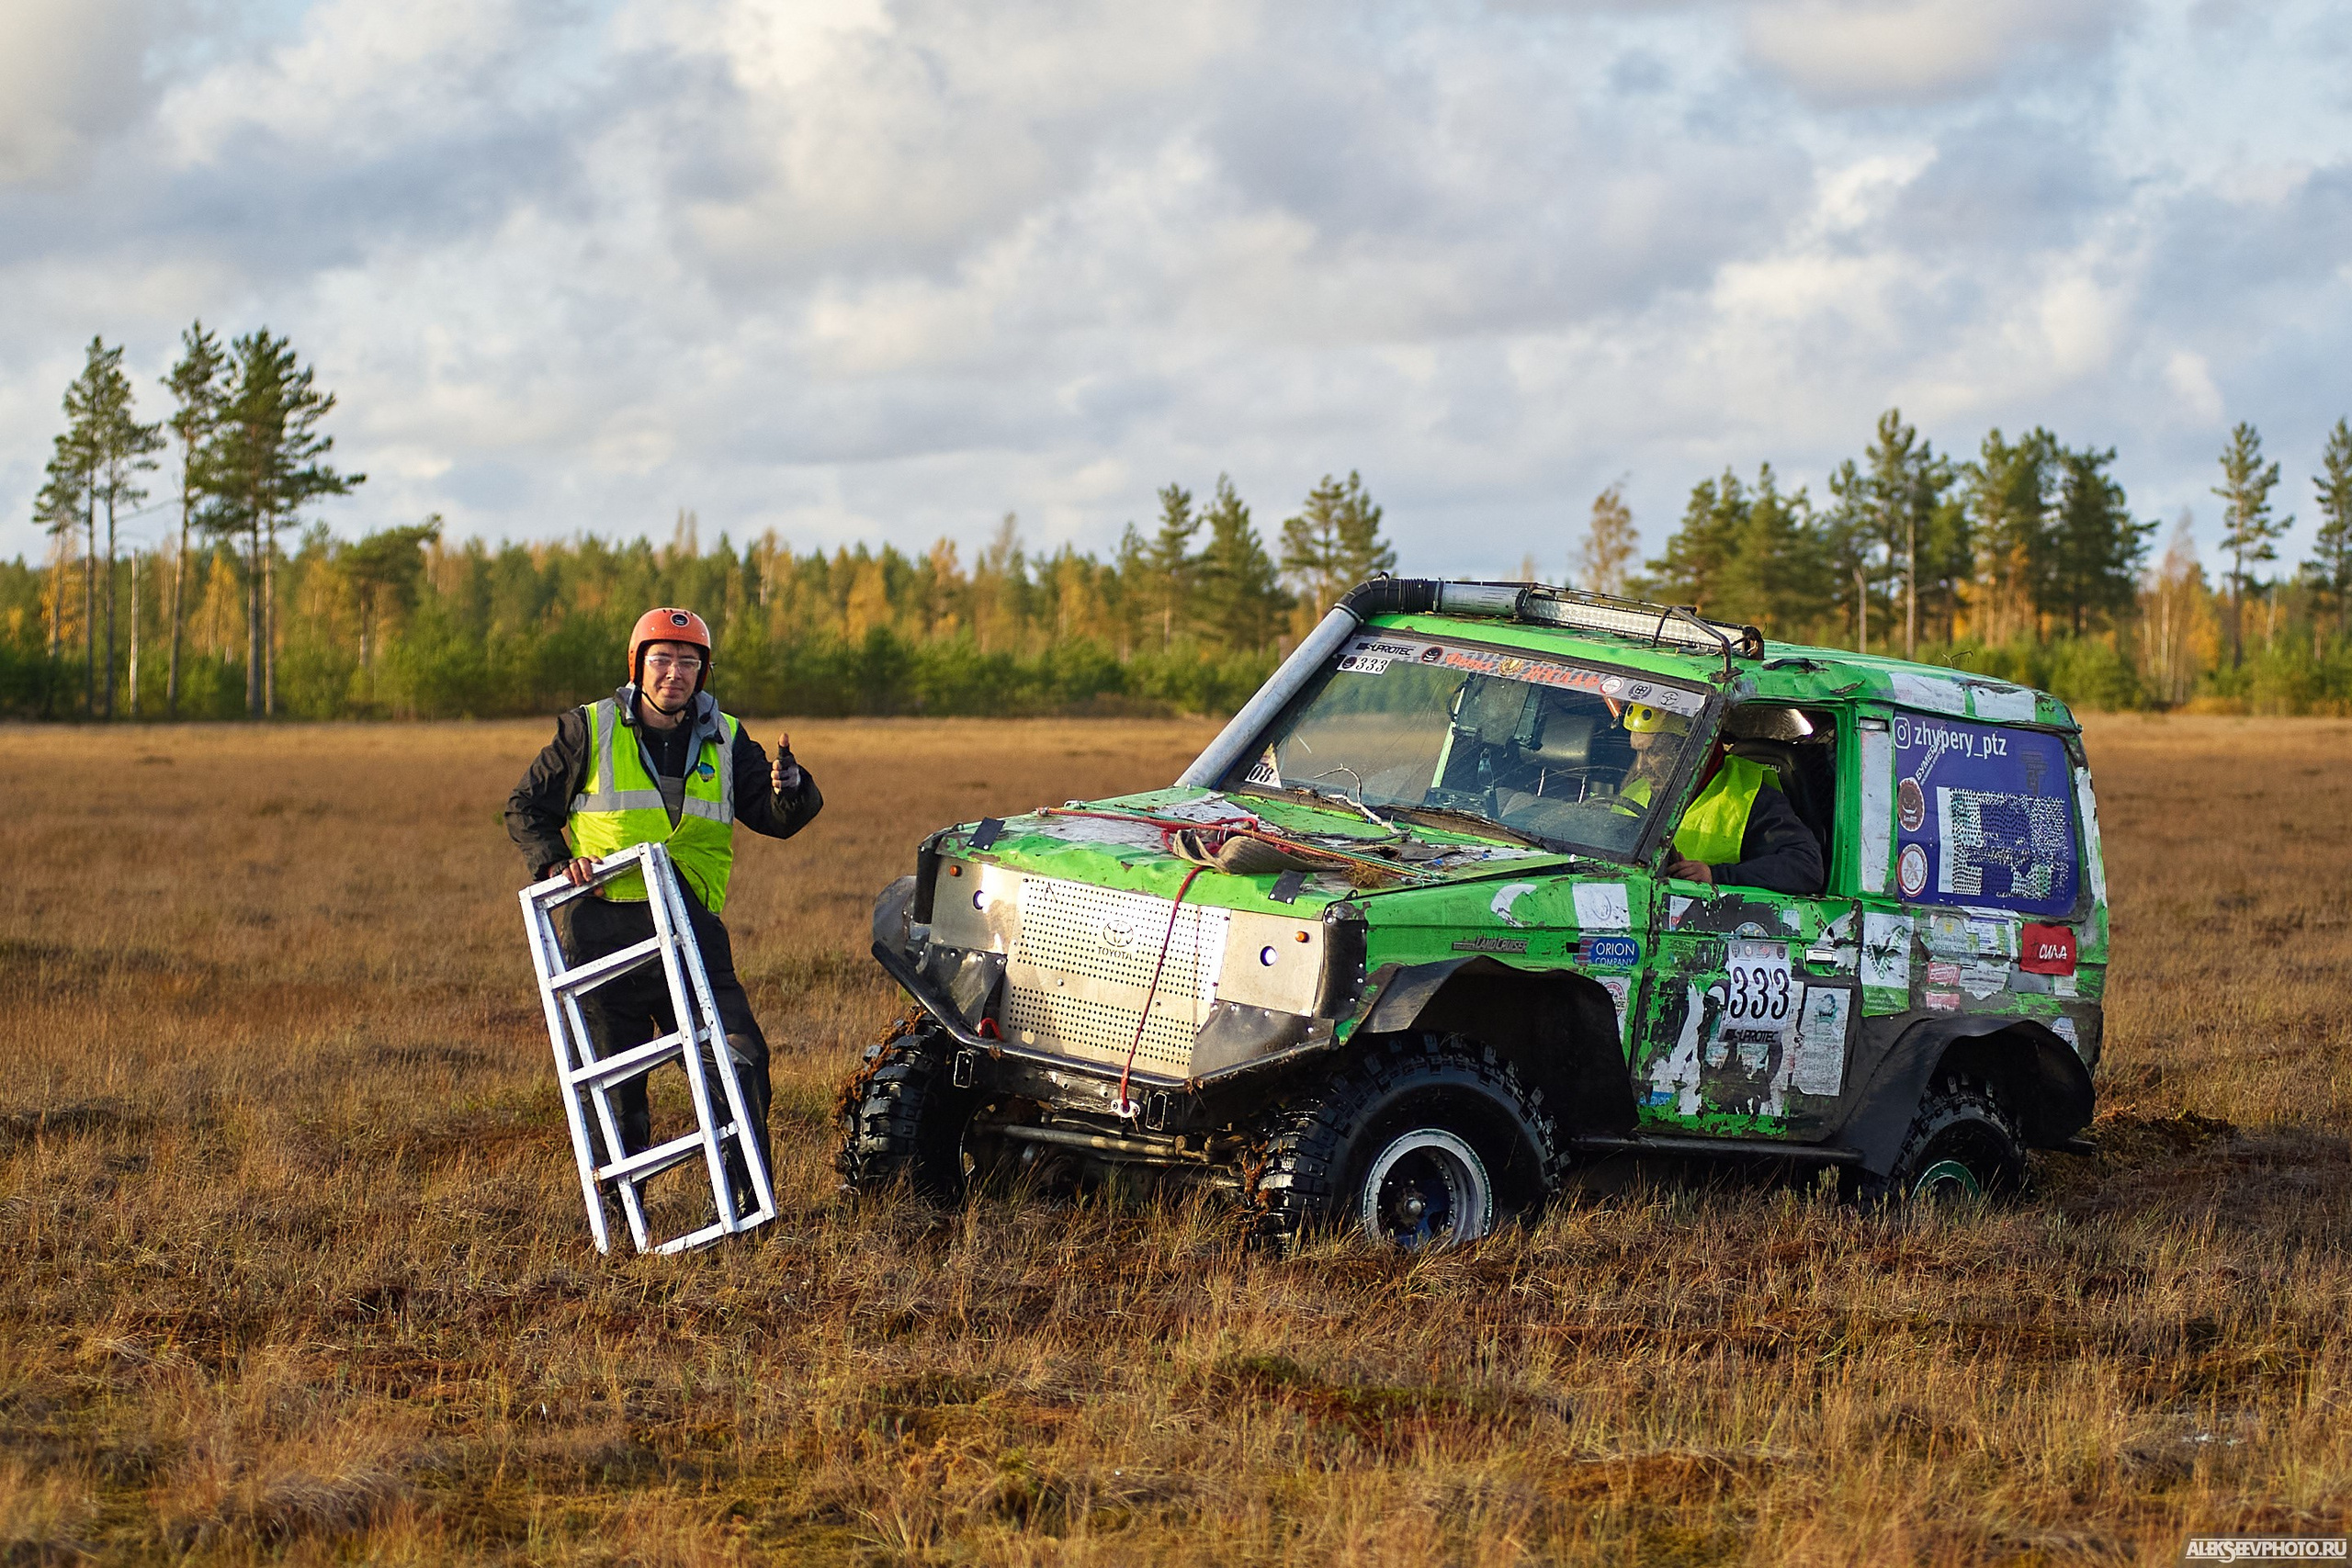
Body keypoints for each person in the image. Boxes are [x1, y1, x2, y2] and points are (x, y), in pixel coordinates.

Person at [505, 606, 822, 1207]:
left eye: (687, 661)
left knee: (741, 1061)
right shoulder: (589, 728)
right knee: (619, 1093)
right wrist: (554, 862)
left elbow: (774, 817)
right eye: (661, 659)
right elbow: (526, 807)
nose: (673, 672)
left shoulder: (729, 737)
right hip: (603, 937)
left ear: (702, 672)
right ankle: (624, 1230)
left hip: (691, 935)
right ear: (637, 664)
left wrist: (793, 789)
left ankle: (747, 1212)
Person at [1617, 702, 1823, 896]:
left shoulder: (1749, 795)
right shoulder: (1635, 793)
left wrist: (1716, 876)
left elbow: (1806, 868)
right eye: (1638, 753)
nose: (1640, 768)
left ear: (1691, 750)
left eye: (1653, 753)